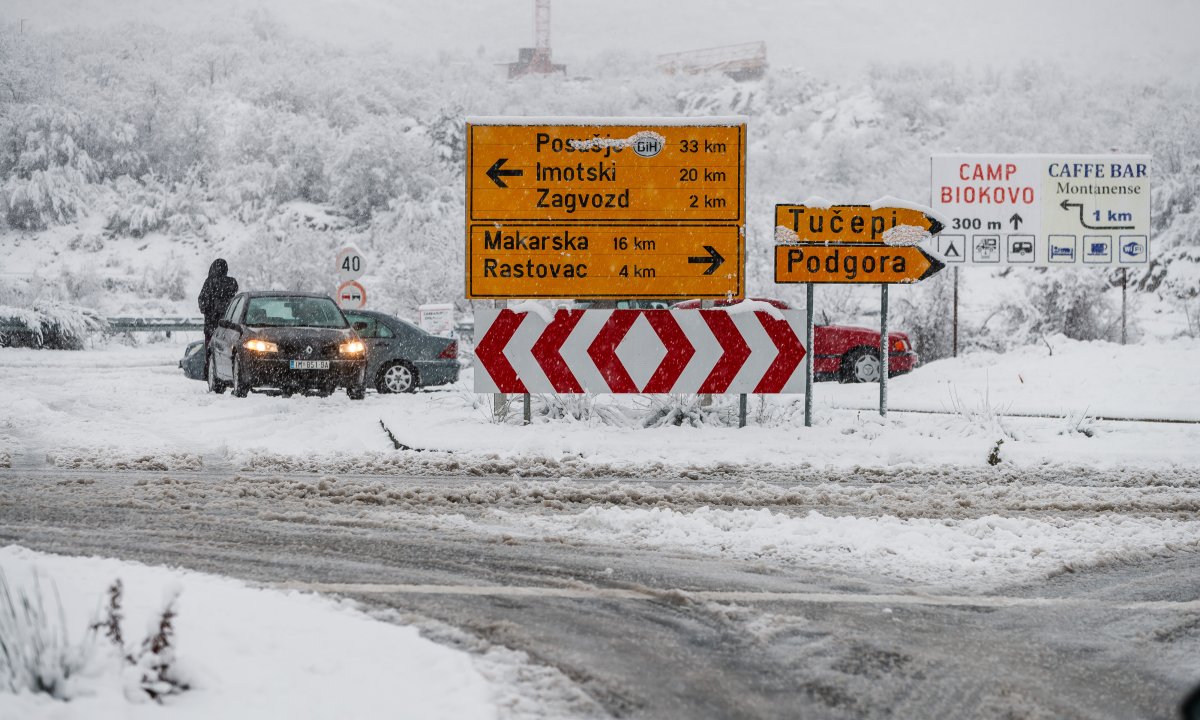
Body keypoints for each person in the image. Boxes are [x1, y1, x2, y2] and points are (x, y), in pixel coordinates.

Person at [197, 258, 238, 378]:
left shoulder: (209, 283)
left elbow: (202, 304)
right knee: (226, 351)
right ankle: (228, 373)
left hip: (211, 325)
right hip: (228, 324)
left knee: (210, 351)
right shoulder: (231, 283)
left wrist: (210, 309)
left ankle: (210, 374)